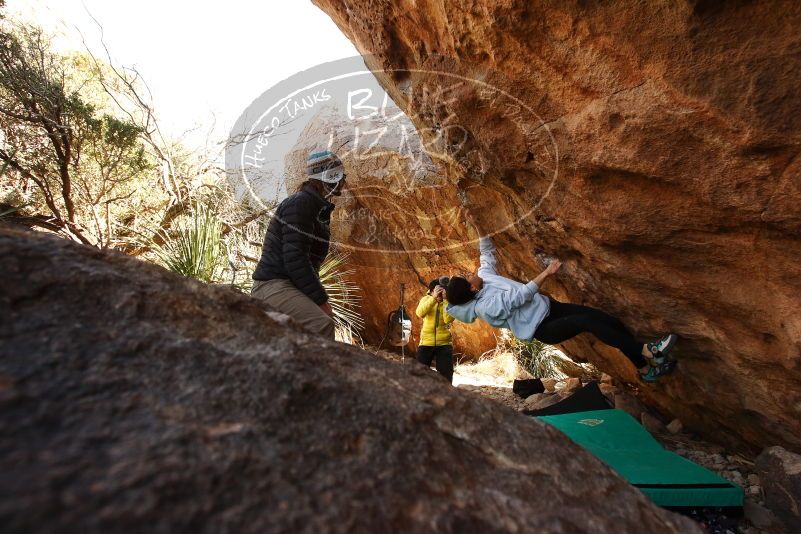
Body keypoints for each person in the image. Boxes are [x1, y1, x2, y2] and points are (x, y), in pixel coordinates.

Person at [445, 215, 677, 382]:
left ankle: (646, 368)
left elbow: (486, 254)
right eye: (467, 278)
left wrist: (477, 225)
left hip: (551, 308)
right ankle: (648, 351)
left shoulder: (484, 277)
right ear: (472, 290)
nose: (471, 274)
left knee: (609, 321)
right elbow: (520, 296)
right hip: (543, 327)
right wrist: (546, 273)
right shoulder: (486, 308)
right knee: (587, 323)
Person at [251, 150, 346, 338]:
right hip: (272, 285)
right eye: (341, 175)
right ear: (330, 177)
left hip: (287, 285)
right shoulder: (301, 204)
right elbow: (296, 260)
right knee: (322, 324)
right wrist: (321, 301)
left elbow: (307, 262)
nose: (344, 180)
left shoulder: (315, 206)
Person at [415, 276, 455, 383]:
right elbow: (420, 313)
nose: (440, 293)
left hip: (444, 343)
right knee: (419, 372)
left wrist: (446, 300)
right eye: (439, 290)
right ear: (432, 290)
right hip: (426, 342)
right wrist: (433, 298)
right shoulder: (426, 299)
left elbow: (448, 320)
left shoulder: (449, 302)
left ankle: (446, 395)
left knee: (446, 374)